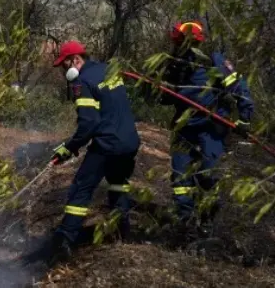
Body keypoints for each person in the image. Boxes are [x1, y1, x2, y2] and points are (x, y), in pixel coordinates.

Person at [46, 40, 141, 265]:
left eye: (63, 65)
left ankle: (64, 242)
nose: (63, 70)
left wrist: (68, 148)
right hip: (129, 141)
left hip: (108, 144)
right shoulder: (107, 70)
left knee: (81, 188)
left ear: (74, 60)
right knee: (118, 183)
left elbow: (88, 124)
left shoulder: (83, 81)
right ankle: (122, 231)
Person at [160, 20, 255, 237]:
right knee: (180, 178)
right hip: (184, 129)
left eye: (184, 42)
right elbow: (165, 99)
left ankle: (206, 223)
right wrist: (161, 90)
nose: (181, 46)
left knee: (208, 177)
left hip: (210, 128)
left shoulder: (214, 62)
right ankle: (185, 223)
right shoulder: (174, 65)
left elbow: (239, 88)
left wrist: (244, 118)